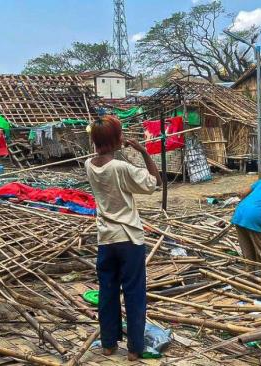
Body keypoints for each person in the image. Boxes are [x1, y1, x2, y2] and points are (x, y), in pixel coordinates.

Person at [85, 115, 162, 361]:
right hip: (129, 238)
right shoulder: (121, 168)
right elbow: (155, 183)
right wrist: (144, 152)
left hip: (106, 239)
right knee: (134, 293)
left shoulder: (89, 165)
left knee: (107, 292)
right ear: (117, 139)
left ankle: (108, 344)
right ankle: (134, 349)